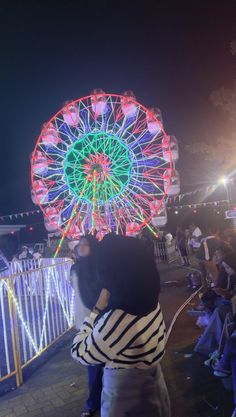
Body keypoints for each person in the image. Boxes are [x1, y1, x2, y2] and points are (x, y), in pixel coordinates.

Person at [71, 235, 170, 417]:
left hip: (127, 398)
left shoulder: (118, 320)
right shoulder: (151, 303)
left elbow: (81, 353)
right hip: (155, 384)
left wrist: (95, 311)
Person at [70, 235, 103, 417]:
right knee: (93, 364)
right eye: (80, 244)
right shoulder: (75, 269)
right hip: (83, 321)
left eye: (86, 244)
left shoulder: (99, 268)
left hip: (98, 319)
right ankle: (94, 401)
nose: (81, 247)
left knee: (95, 364)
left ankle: (93, 402)